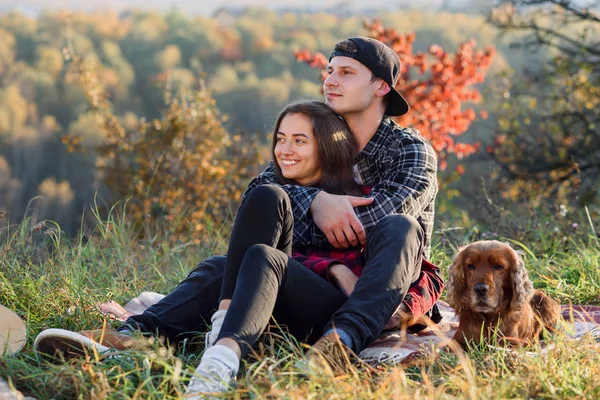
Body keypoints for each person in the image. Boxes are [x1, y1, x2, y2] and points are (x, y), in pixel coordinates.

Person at [34, 37, 442, 391]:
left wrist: (306, 217)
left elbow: (369, 229)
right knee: (225, 265)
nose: (330, 80)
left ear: (381, 87)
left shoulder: (410, 150)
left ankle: (338, 346)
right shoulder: (315, 131)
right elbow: (258, 201)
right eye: (329, 70)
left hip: (367, 294)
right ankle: (130, 340)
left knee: (399, 227)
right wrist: (317, 203)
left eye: (347, 73)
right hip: (309, 286)